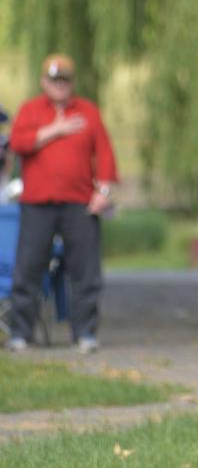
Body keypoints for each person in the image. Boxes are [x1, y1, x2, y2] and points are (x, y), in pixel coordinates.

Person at [5, 54, 117, 353]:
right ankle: (20, 334)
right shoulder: (31, 110)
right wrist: (57, 129)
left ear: (72, 82)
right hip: (37, 203)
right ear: (44, 82)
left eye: (64, 79)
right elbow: (18, 143)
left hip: (79, 203)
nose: (60, 85)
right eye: (54, 79)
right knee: (27, 268)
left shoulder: (88, 112)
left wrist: (103, 191)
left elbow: (105, 154)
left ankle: (85, 334)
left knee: (85, 271)